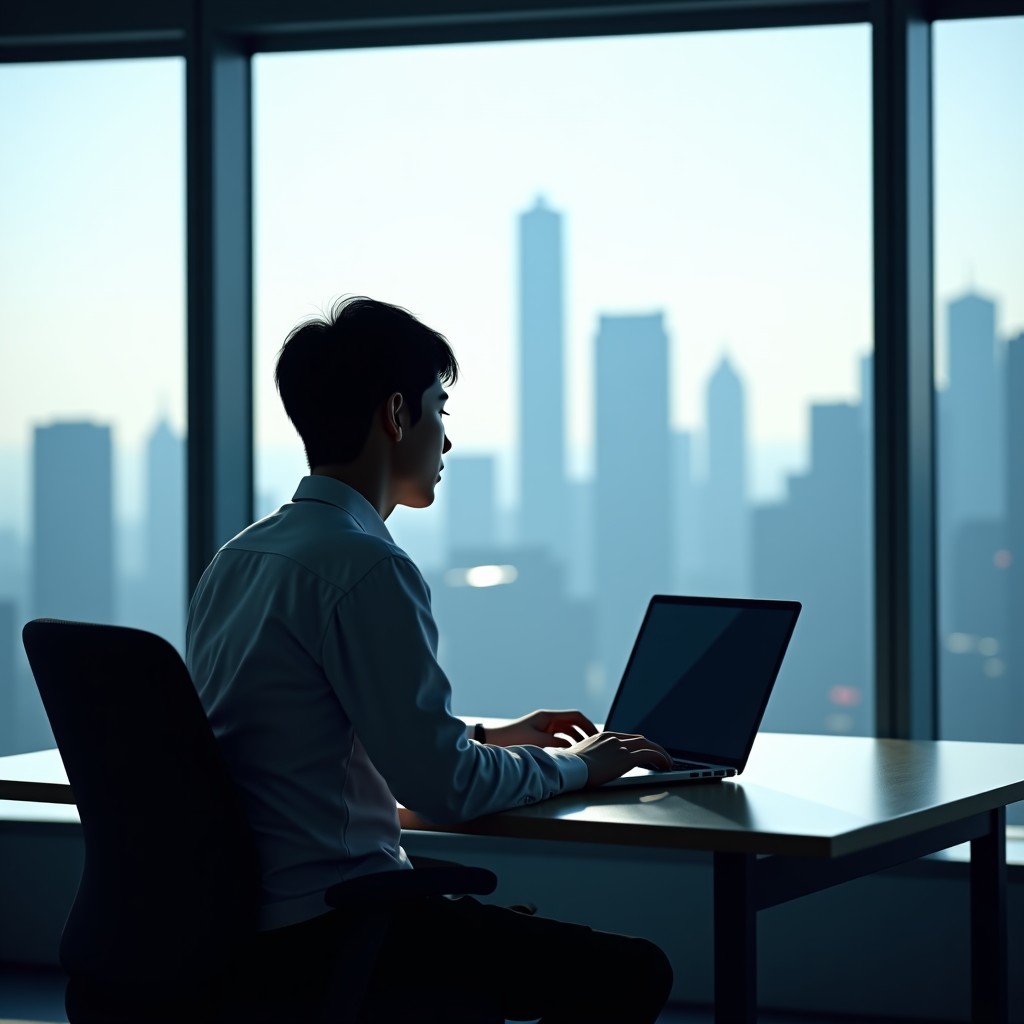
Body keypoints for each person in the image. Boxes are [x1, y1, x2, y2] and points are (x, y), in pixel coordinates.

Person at [186, 295, 675, 1022]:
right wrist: (583, 764)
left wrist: (486, 740)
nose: (445, 442)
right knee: (634, 971)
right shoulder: (364, 567)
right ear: (396, 415)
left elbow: (301, 731)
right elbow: (444, 791)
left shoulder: (242, 557)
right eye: (439, 410)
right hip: (335, 929)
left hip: (244, 930)